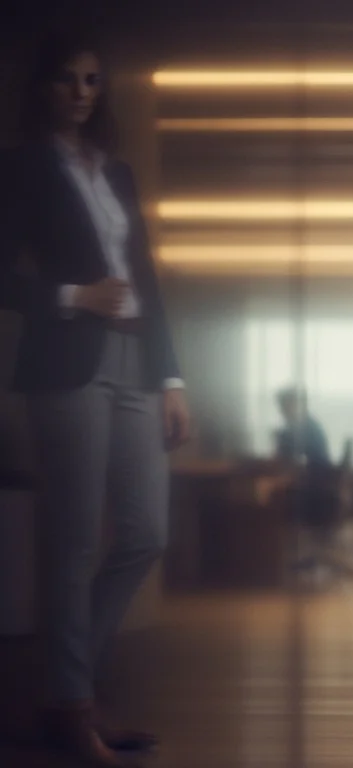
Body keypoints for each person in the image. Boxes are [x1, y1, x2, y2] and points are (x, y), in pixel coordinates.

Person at [3, 33, 191, 766]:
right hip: (67, 363)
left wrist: (172, 378)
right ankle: (75, 708)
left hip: (138, 361)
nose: (82, 92)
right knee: (73, 542)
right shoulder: (19, 169)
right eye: (68, 80)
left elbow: (145, 277)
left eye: (92, 81)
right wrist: (73, 294)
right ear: (43, 88)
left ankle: (66, 689)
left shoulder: (116, 174)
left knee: (146, 530)